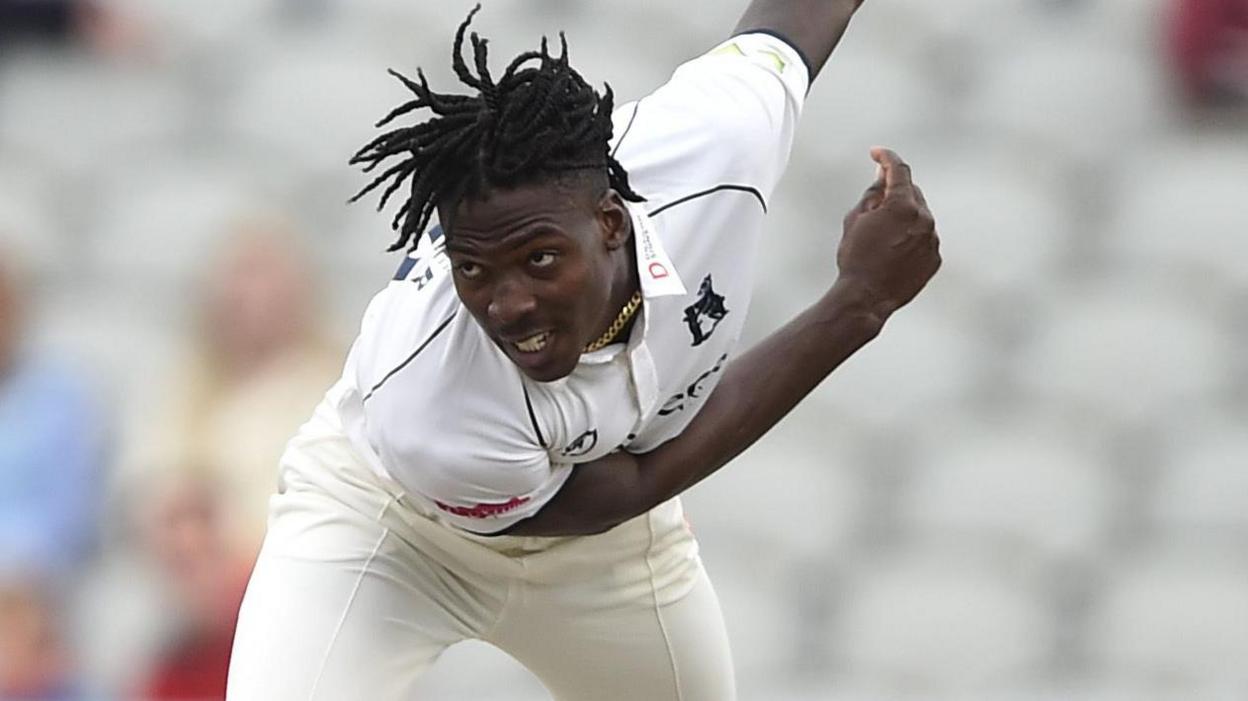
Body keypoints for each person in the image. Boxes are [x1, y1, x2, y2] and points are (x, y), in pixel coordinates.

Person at [227, 1, 940, 699]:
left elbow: (799, 17)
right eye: (474, 270)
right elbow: (618, 490)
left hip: (604, 549)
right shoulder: (429, 397)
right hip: (391, 528)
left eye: (539, 259)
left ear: (610, 221)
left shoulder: (715, 143)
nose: (507, 306)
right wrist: (857, 304)